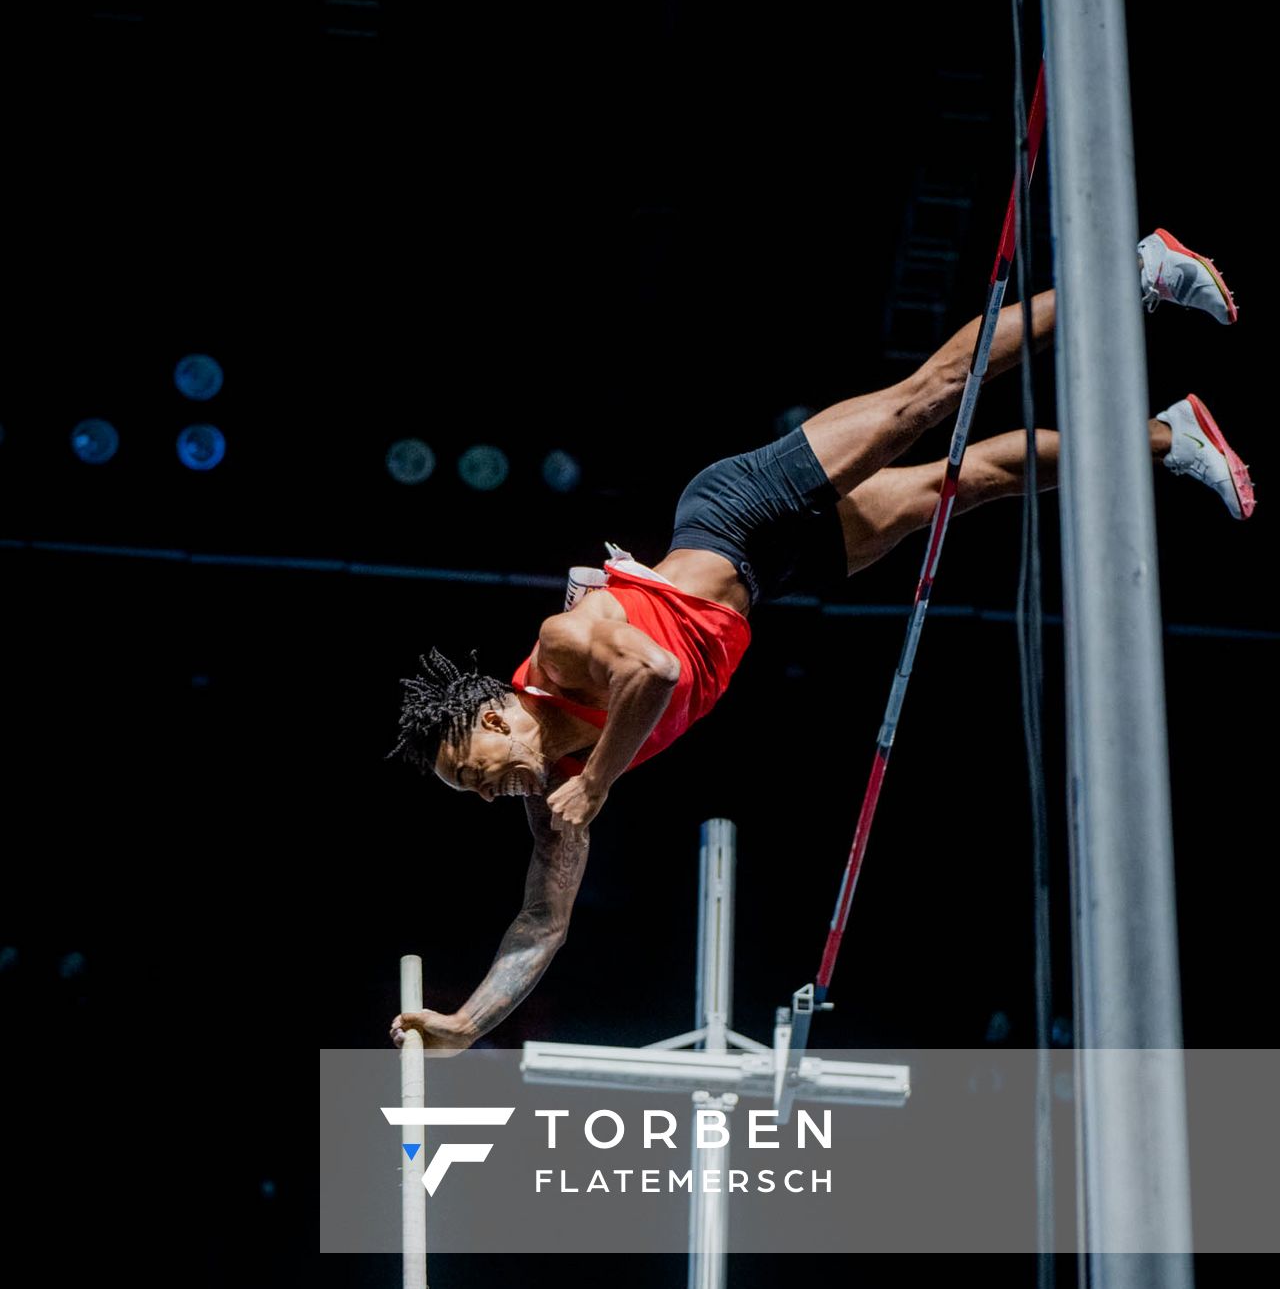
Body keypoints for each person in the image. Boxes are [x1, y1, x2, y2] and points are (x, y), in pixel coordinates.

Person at [388, 228, 1250, 1052]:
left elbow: (652, 669)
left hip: (737, 512)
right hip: (766, 577)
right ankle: (1173, 438)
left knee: (931, 394)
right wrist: (468, 1021)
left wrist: (601, 783)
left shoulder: (563, 649)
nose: (482, 795)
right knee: (973, 480)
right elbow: (542, 923)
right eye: (467, 791)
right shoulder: (556, 799)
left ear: (498, 716)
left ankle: (1140, 272)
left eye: (471, 772)